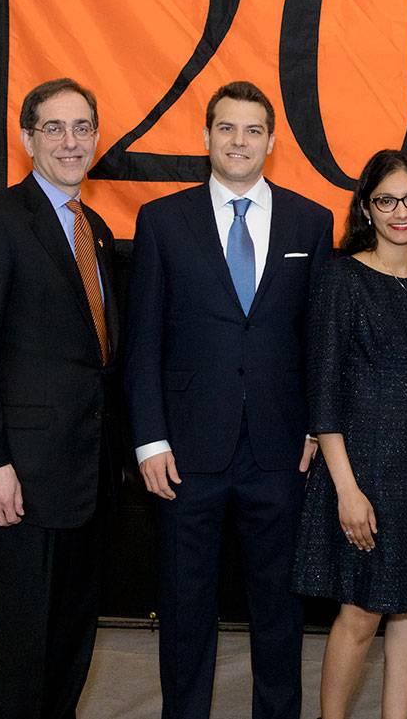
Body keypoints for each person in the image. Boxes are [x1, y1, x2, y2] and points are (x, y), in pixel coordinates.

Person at [123, 81, 333, 719]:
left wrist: (317, 428)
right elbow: (143, 341)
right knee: (186, 610)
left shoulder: (310, 220)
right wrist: (150, 438)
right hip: (186, 452)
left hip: (280, 450)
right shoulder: (162, 220)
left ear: (272, 141)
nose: (238, 142)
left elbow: (319, 340)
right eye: (226, 129)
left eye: (251, 131)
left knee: (278, 609)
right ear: (206, 136)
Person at [0, 78, 119, 719]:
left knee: (69, 649)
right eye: (55, 128)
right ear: (27, 139)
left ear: (97, 138)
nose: (71, 142)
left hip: (83, 480)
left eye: (82, 128)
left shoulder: (94, 230)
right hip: (18, 482)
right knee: (21, 657)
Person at [293, 149, 407, 719]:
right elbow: (323, 395)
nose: (401, 211)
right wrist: (345, 490)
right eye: (387, 200)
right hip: (363, 467)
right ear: (367, 210)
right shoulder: (341, 277)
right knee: (361, 612)